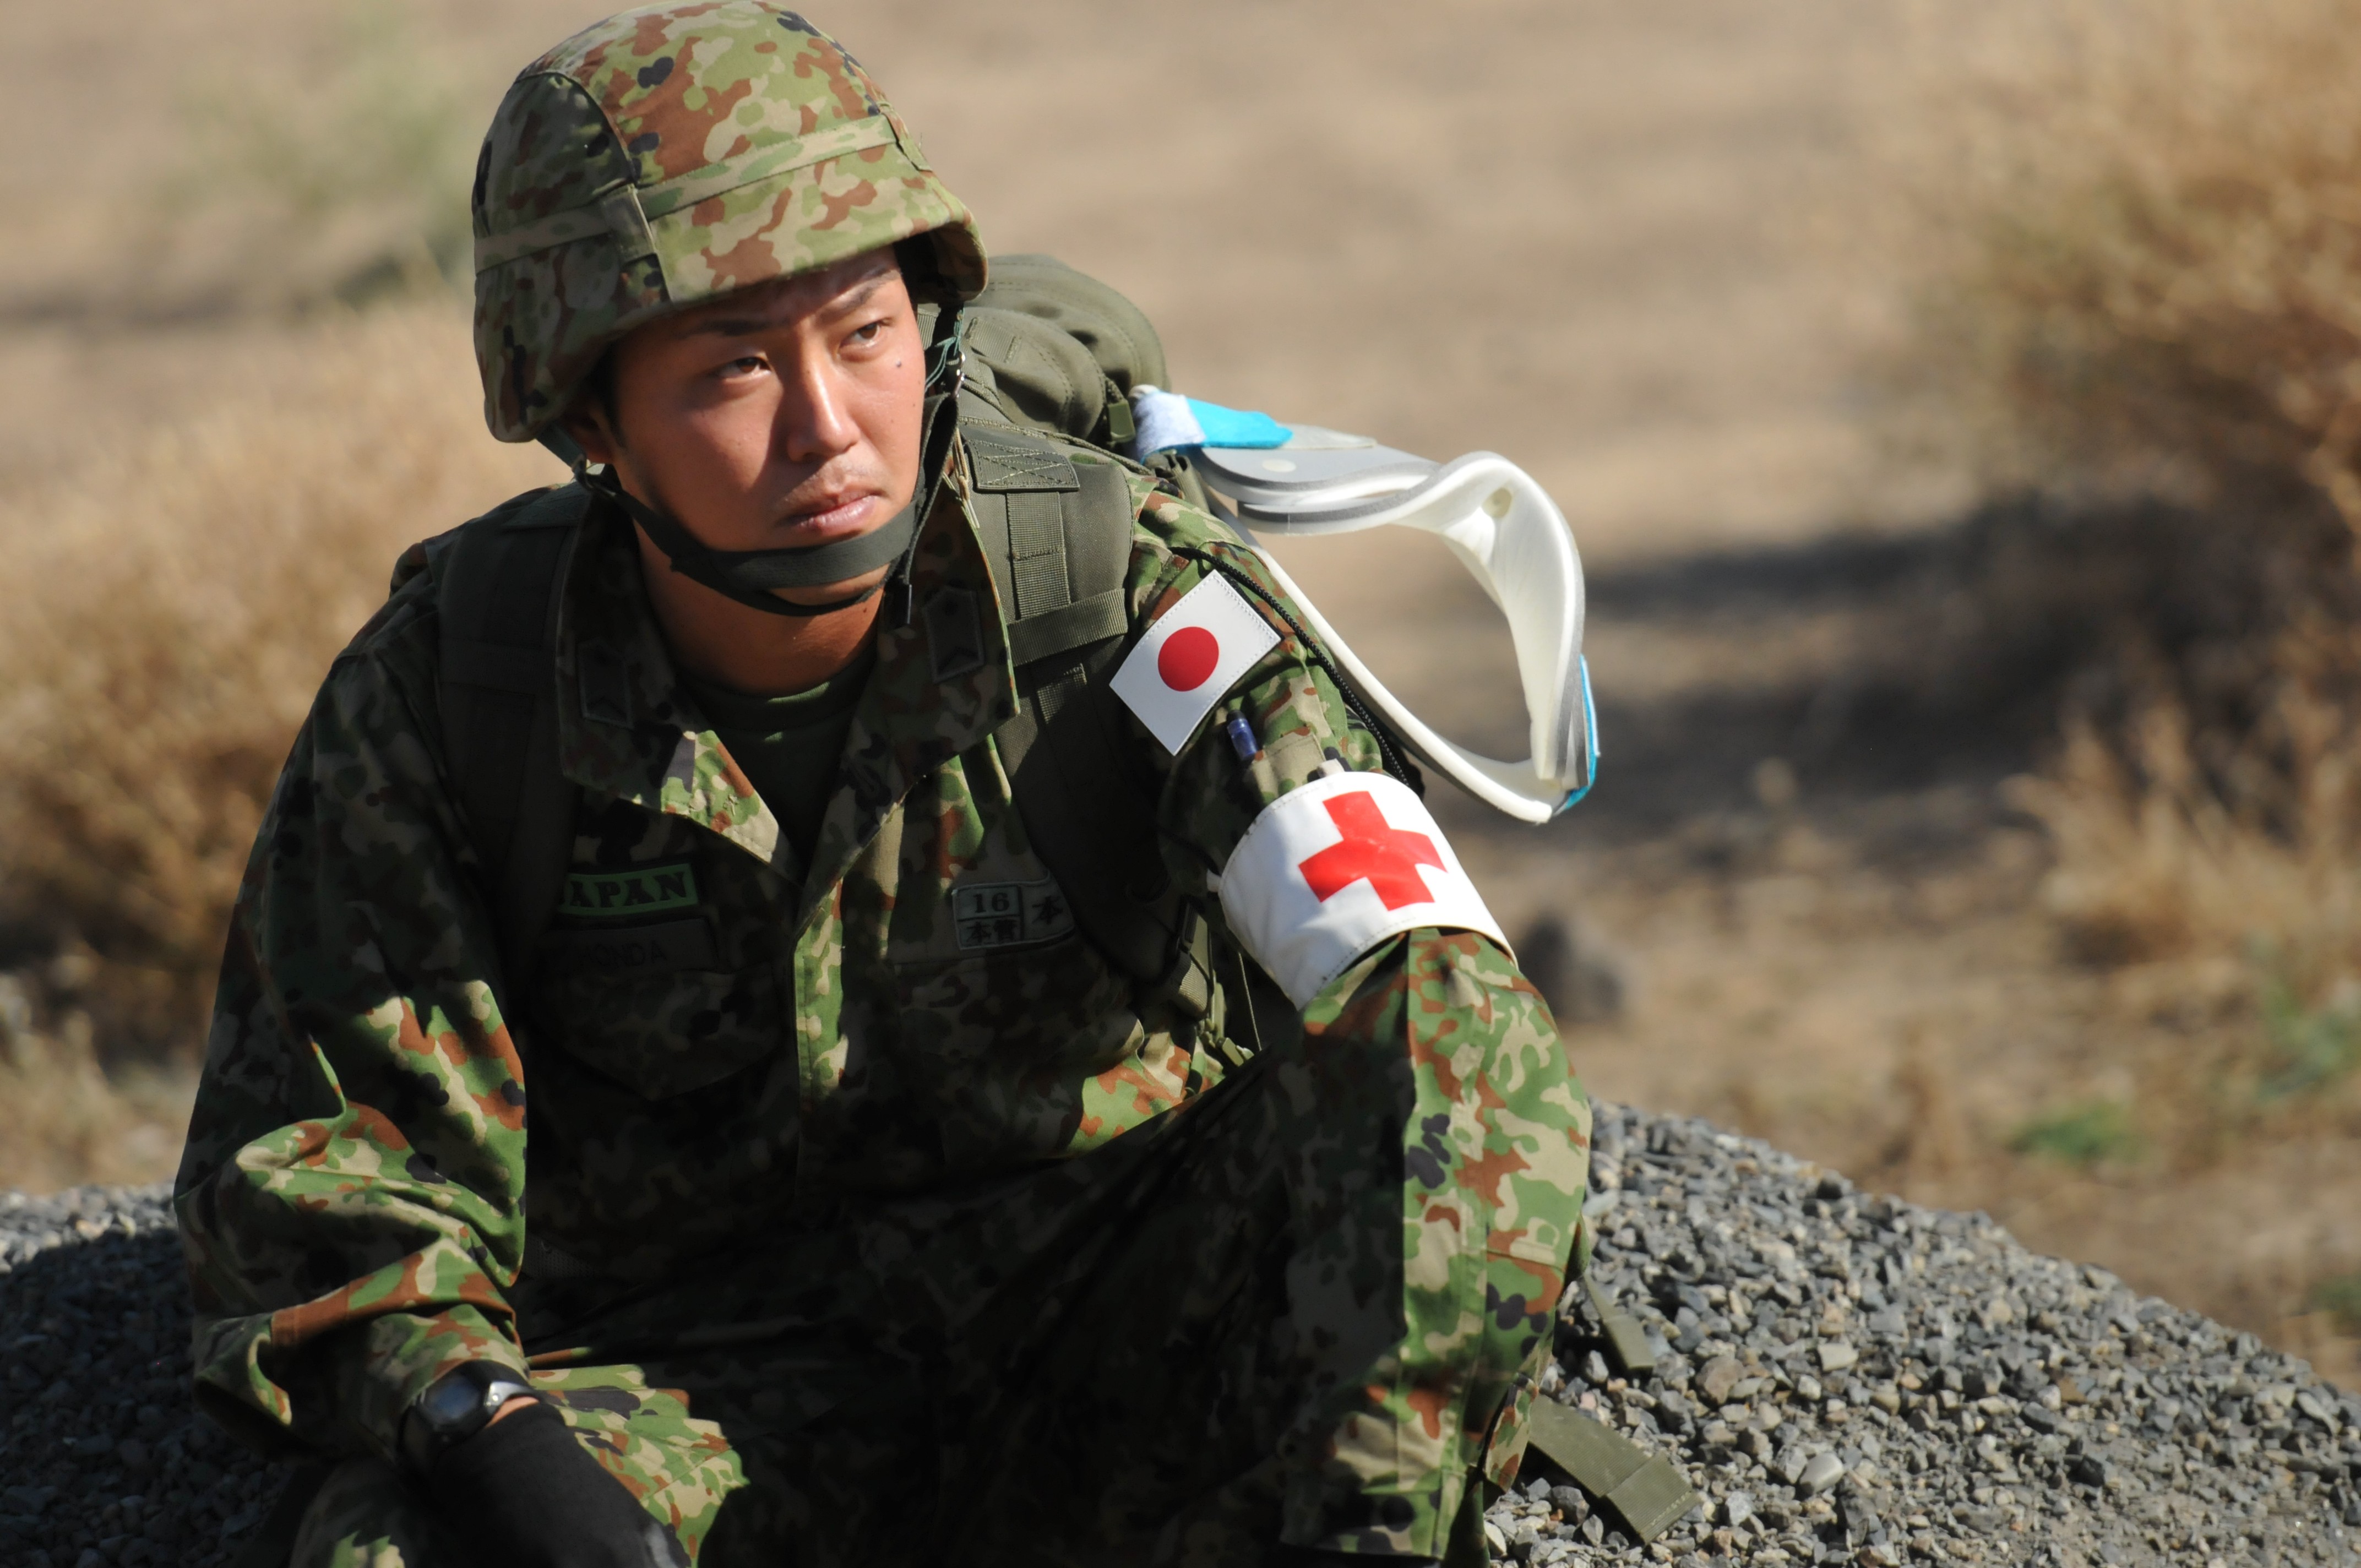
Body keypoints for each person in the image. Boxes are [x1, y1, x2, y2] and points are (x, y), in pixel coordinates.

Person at [173, 6, 1593, 1565]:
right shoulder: (458, 691)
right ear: (587, 417)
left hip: (1140, 1324)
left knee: (1447, 1037)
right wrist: (484, 1433)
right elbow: (326, 1180)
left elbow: (1428, 998)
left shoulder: (1126, 606)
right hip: (707, 1383)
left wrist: (1372, 1504)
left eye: (864, 336)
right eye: (733, 368)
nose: (828, 428)